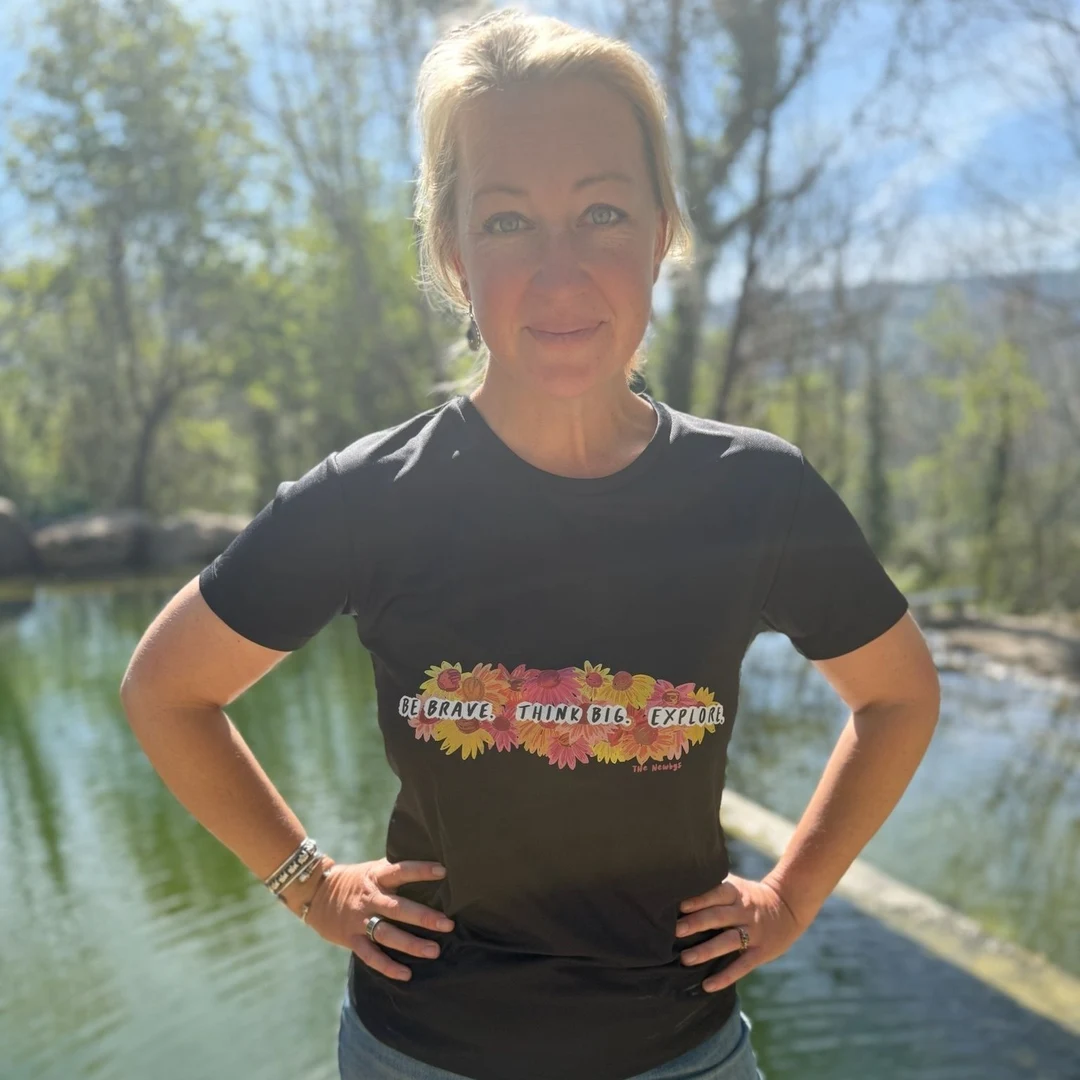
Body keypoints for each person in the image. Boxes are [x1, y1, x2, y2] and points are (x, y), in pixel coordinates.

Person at [119, 9, 941, 1080]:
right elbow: (167, 691)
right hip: (419, 1055)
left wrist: (792, 896)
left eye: (602, 212)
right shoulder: (371, 497)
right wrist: (311, 887)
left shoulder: (757, 494)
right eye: (508, 221)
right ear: (453, 252)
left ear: (660, 233)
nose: (560, 274)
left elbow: (897, 697)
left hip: (681, 1053)